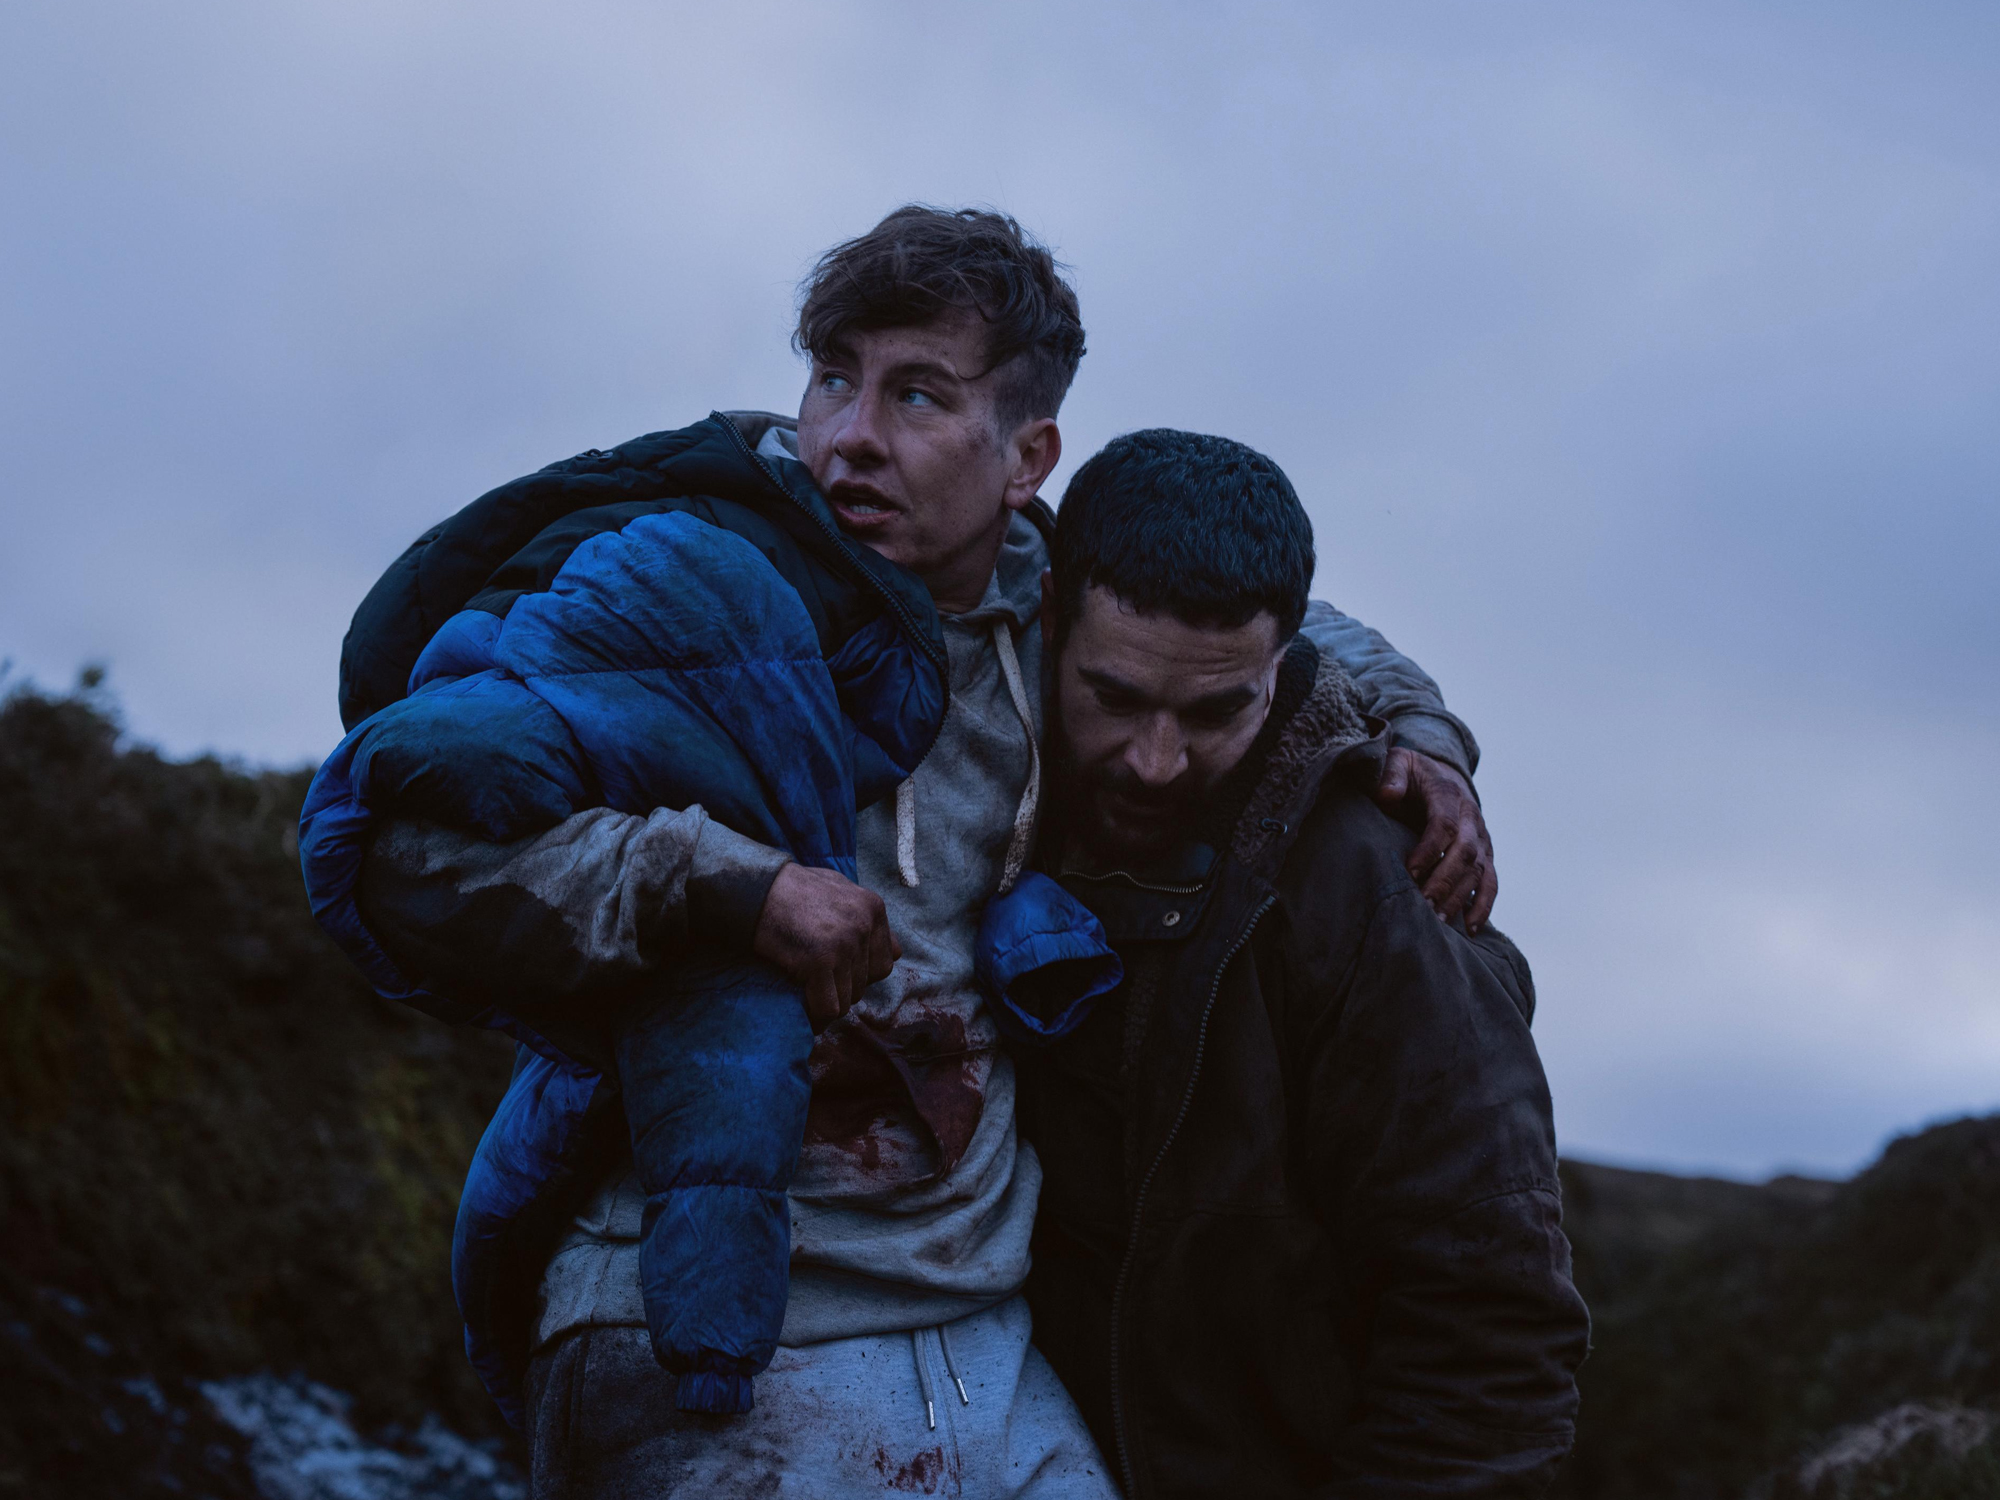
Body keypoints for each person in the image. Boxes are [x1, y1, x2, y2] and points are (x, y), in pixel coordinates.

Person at [343, 207, 1497, 1497]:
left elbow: (1274, 627)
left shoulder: (1053, 611)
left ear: (1027, 457)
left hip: (983, 1337)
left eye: (916, 395)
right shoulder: (675, 590)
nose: (849, 435)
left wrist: (1421, 733)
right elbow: (402, 853)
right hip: (705, 1329)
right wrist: (721, 887)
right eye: (832, 377)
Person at [1017, 429, 1590, 1500]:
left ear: (1279, 667)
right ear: (1047, 618)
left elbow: (1490, 1344)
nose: (1155, 761)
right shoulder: (967, 756)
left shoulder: (1375, 893)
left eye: (1213, 713)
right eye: (1116, 699)